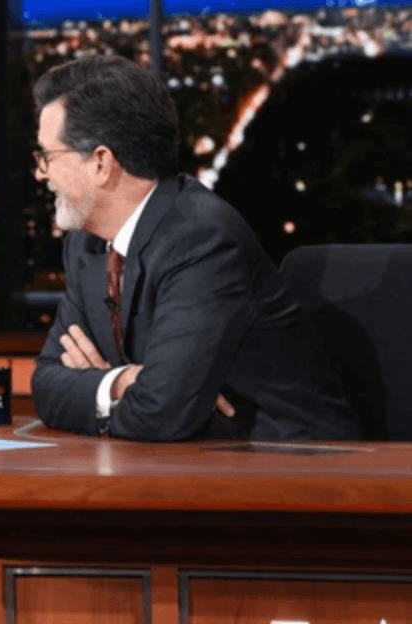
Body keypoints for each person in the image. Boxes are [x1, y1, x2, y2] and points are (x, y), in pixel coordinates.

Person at [29, 55, 360, 441]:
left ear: (101, 162)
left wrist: (113, 389)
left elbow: (161, 413)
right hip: (183, 464)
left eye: (48, 156)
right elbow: (47, 384)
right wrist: (121, 383)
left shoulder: (200, 238)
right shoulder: (84, 247)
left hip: (292, 468)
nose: (41, 172)